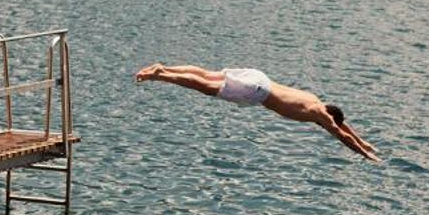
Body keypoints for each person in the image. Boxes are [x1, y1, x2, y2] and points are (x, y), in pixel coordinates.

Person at [134, 63, 378, 160]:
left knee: (206, 74)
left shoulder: (316, 101)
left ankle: (163, 67)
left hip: (260, 78)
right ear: (328, 117)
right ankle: (161, 76)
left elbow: (343, 126)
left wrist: (365, 143)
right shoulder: (321, 115)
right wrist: (364, 154)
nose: (326, 126)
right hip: (257, 91)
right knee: (206, 87)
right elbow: (341, 134)